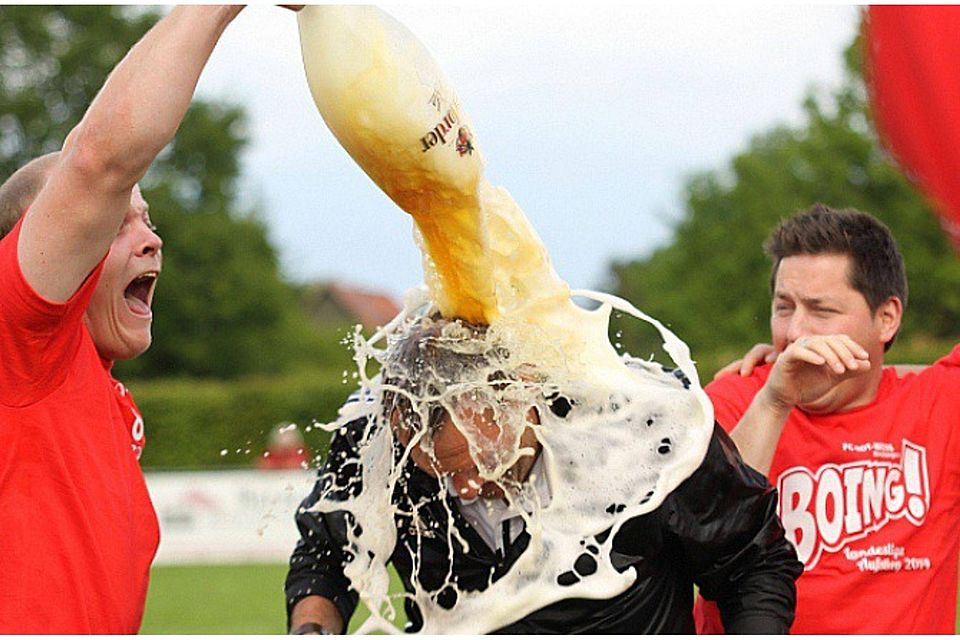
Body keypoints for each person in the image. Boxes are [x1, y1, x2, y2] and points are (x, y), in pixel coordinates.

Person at [0, 6, 293, 633]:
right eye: (116, 221)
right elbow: (99, 159)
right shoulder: (19, 340)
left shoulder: (99, 395)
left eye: (149, 217)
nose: (152, 239)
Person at [285, 317, 802, 634]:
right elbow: (328, 553)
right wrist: (311, 631)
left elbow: (752, 563)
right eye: (437, 473)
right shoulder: (371, 442)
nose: (462, 489)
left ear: (523, 394)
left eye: (476, 465)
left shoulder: (640, 423)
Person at [694, 204, 960, 634]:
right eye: (784, 308)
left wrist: (886, 370)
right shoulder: (737, 398)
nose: (796, 332)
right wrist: (774, 401)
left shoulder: (941, 404)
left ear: (886, 318)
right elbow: (703, 530)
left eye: (821, 311)